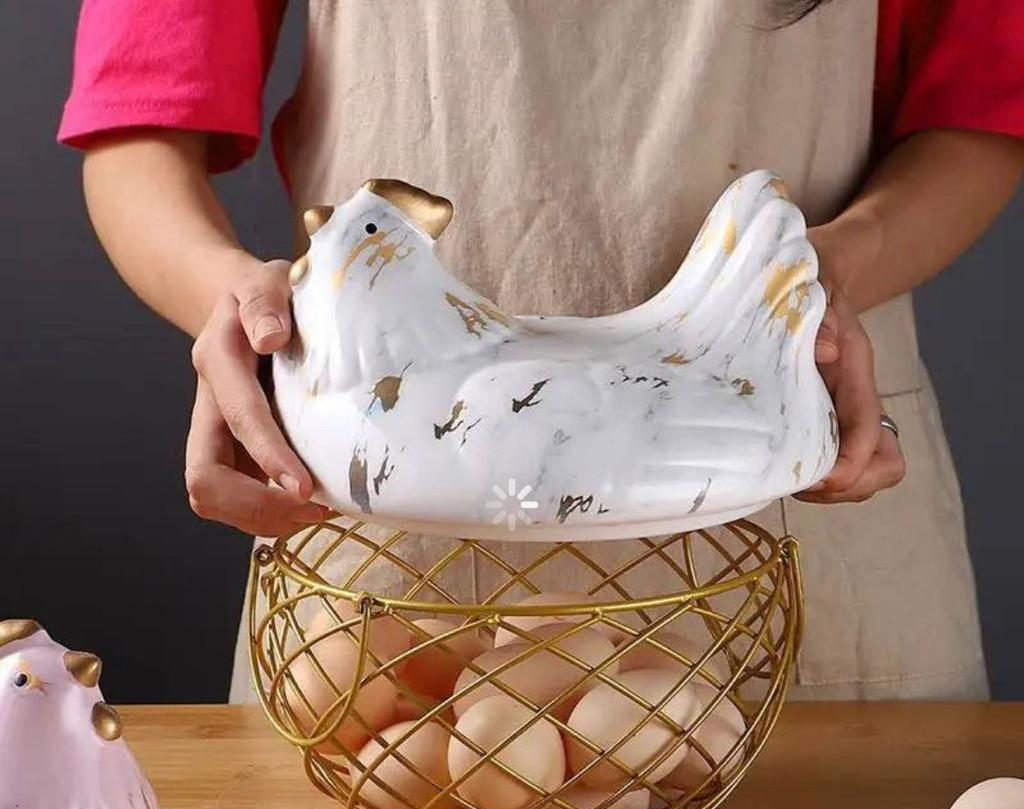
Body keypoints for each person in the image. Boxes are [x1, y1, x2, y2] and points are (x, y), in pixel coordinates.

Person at [60, 0, 1024, 701]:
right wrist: (232, 300)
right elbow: (142, 123)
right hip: (396, 524)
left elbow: (981, 113)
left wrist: (811, 275)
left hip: (792, 463)